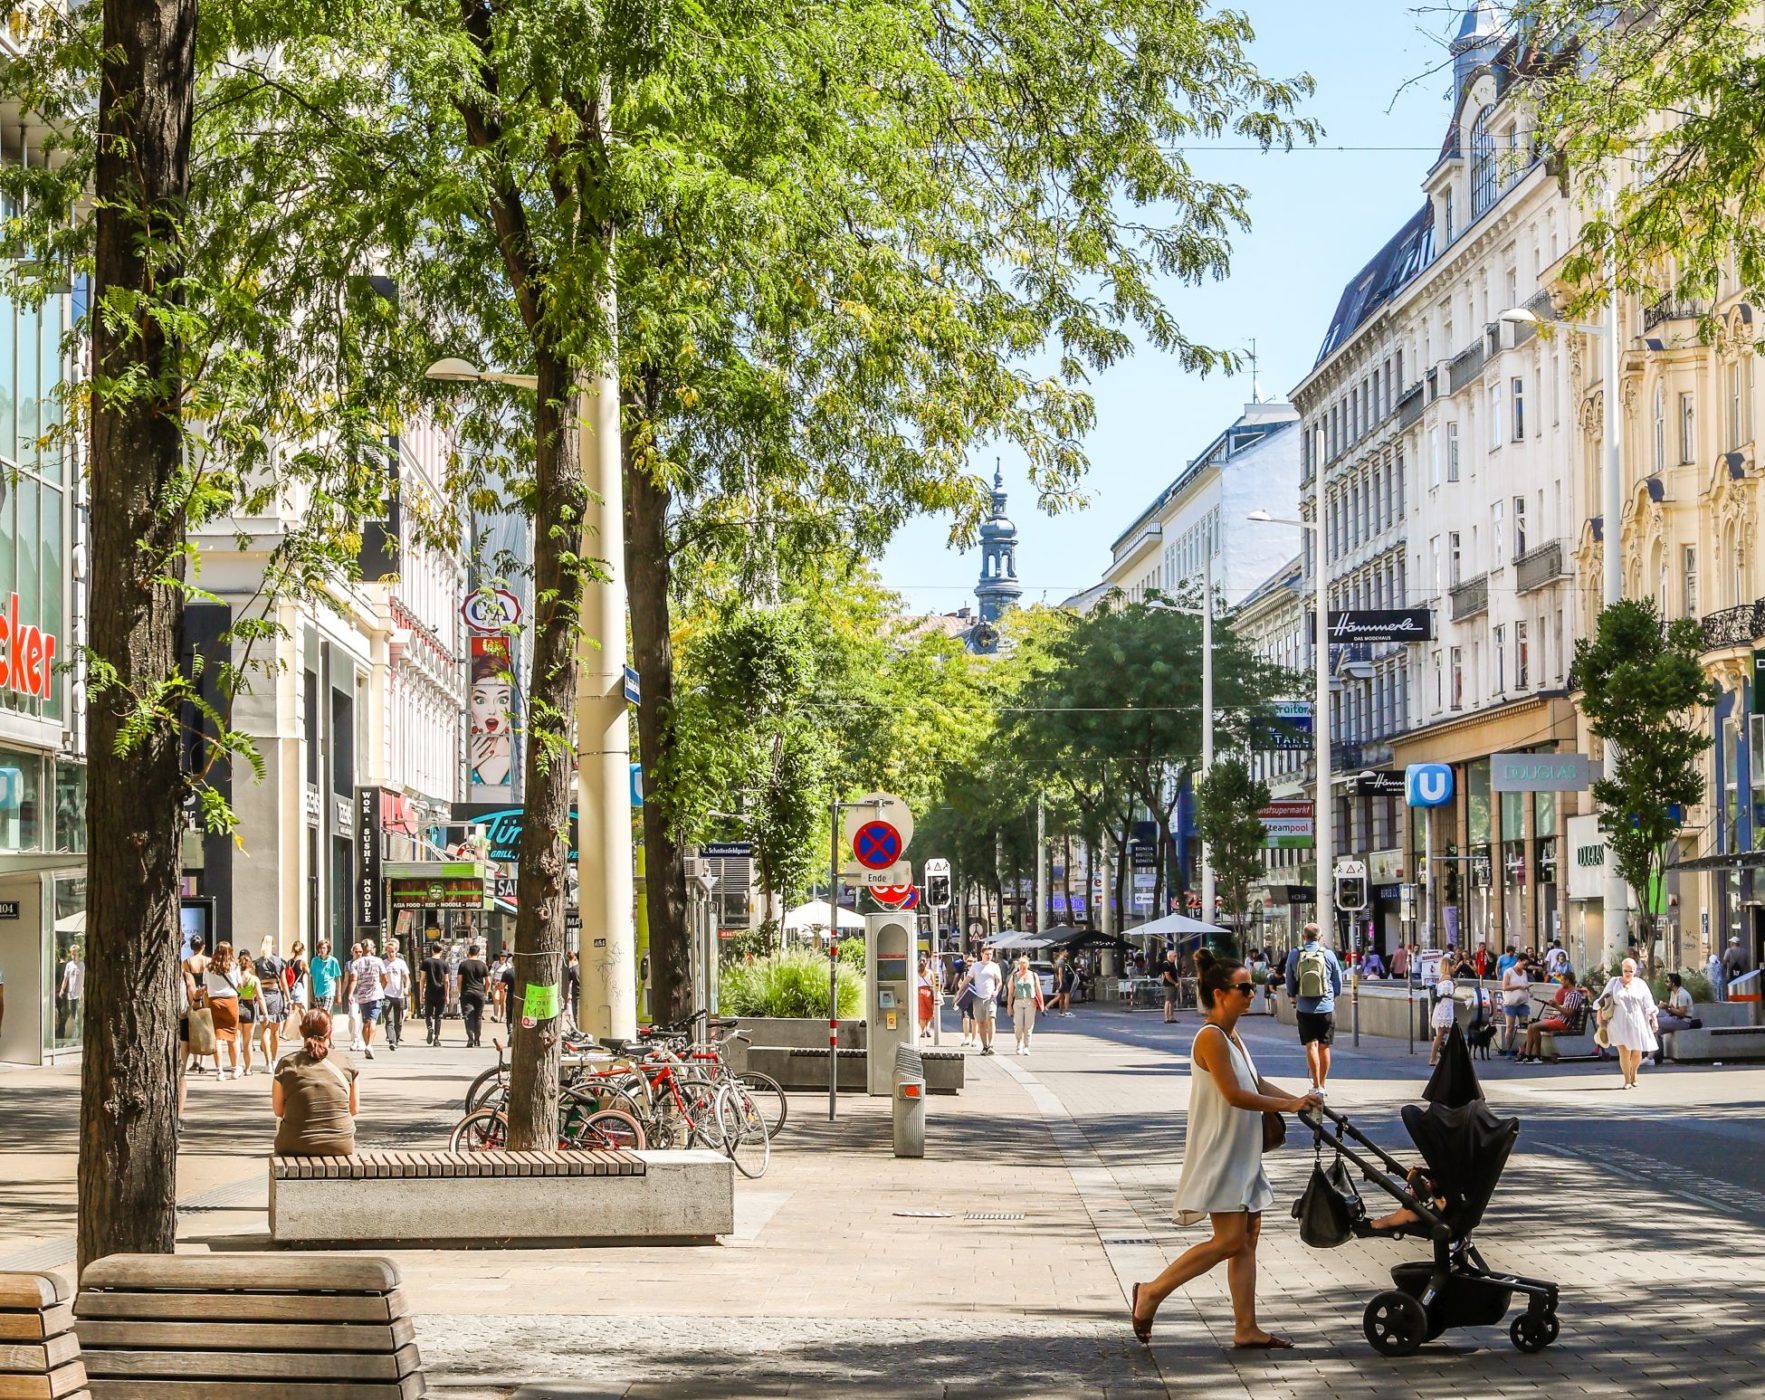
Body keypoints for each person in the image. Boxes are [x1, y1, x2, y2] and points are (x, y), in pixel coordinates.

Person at [1129, 948, 1321, 1349]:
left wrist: (1304, 1100)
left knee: (1247, 1238)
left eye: (1253, 988)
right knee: (1230, 1240)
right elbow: (1234, 1095)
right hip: (1220, 1152)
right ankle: (1151, 1292)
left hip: (1240, 1150)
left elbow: (1257, 1083)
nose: (1253, 994)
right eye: (1245, 988)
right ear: (1220, 993)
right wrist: (1289, 1105)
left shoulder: (1233, 1036)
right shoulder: (1210, 1037)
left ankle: (1246, 1328)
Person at [272, 1008, 360, 1156]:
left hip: (292, 1144)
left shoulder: (286, 1063)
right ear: (329, 1033)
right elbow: (354, 1109)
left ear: (302, 1032)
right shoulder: (346, 1063)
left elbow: (278, 1110)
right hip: (340, 1145)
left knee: (279, 1121)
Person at [1282, 923, 1344, 1096]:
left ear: (1304, 937)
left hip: (1304, 1007)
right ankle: (1323, 1085)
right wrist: (1333, 995)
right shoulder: (1328, 954)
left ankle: (1315, 1085)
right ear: (1320, 938)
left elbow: (1290, 978)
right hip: (1326, 1007)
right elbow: (1337, 979)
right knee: (1324, 1046)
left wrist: (1292, 995)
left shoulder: (1295, 954)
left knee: (1311, 1045)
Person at [1598, 958, 1659, 1089]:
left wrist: (1654, 1019)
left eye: (1630, 971)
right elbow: (1601, 1001)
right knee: (1624, 1052)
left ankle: (1634, 1074)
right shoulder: (1614, 983)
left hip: (1638, 1020)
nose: (1627, 974)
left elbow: (1649, 1003)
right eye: (1625, 970)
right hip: (1619, 1021)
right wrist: (1601, 1021)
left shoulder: (1640, 984)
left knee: (1637, 1052)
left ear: (1635, 971)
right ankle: (1626, 1080)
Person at [1518, 971, 1587, 1062]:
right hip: (1559, 1019)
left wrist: (1556, 1006)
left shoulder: (1574, 995)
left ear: (1568, 981)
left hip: (1564, 1023)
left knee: (1535, 1027)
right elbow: (1565, 1010)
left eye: (1562, 980)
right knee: (1531, 1026)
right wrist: (1555, 1014)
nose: (1560, 982)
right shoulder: (1568, 994)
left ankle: (1537, 1055)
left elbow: (1570, 1014)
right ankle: (1527, 1055)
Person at [204, 941, 244, 1080]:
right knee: (232, 1035)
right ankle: (234, 1069)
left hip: (214, 1001)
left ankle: (219, 1071)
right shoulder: (234, 966)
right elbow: (240, 984)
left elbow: (205, 986)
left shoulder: (209, 967)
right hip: (230, 1001)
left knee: (217, 1037)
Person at [961, 947, 1003, 1056]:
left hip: (990, 998)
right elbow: (967, 980)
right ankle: (985, 1046)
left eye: (990, 954)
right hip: (978, 998)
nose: (988, 956)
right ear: (981, 954)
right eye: (986, 954)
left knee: (991, 1020)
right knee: (981, 1023)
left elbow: (999, 982)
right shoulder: (976, 966)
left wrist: (996, 990)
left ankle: (991, 1045)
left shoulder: (994, 966)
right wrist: (959, 993)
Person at [349, 940, 386, 1060]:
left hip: (362, 996)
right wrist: (381, 988)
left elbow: (353, 979)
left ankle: (366, 1045)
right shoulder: (378, 961)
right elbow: (385, 978)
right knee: (373, 1021)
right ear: (372, 948)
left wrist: (350, 994)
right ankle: (370, 1045)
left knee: (366, 1022)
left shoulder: (356, 963)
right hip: (376, 994)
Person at [1654, 972, 1701, 1063]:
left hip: (1683, 1022)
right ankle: (1658, 1057)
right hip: (1675, 1020)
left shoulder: (1682, 994)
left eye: (1667, 981)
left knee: (1654, 1021)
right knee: (1656, 1030)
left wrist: (1667, 1007)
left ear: (1673, 983)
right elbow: (1672, 1010)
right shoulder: (1673, 993)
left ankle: (1654, 1057)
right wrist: (1666, 1007)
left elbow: (1682, 1013)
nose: (1665, 983)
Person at [254, 942, 286, 1070]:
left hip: (262, 995)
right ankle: (274, 1059)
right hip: (275, 994)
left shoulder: (257, 963)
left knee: (264, 1031)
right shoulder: (279, 962)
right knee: (275, 1031)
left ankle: (268, 1063)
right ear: (272, 946)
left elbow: (255, 981)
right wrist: (288, 999)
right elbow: (283, 982)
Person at [1009, 955, 1044, 1055]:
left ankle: (1026, 1046)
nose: (1022, 969)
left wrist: (1042, 1004)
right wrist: (1009, 1006)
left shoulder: (1033, 975)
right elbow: (1011, 992)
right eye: (1020, 966)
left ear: (1028, 966)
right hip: (1018, 1002)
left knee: (1028, 1025)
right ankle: (1018, 1042)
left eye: (1024, 967)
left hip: (1030, 1002)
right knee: (1018, 1025)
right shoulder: (1014, 976)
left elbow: (1038, 990)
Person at [457, 943, 490, 1047]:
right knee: (478, 1017)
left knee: (468, 1016)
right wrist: (485, 991)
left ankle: (470, 1038)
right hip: (479, 993)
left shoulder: (463, 965)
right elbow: (488, 981)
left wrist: (460, 991)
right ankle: (477, 1039)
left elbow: (459, 980)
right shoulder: (483, 965)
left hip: (467, 993)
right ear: (478, 953)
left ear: (468, 953)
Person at [1499, 952, 1532, 1057]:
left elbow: (1524, 984)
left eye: (1526, 965)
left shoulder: (1525, 973)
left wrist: (1528, 989)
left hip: (1522, 1002)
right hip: (1511, 1003)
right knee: (1510, 1026)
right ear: (1519, 961)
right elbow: (1504, 987)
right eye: (1524, 964)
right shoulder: (1508, 972)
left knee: (1525, 1026)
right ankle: (1509, 1048)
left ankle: (1523, 1049)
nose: (1525, 967)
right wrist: (1518, 986)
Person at [382, 940, 410, 1051]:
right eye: (389, 952)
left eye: (392, 951)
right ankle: (391, 1041)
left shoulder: (401, 963)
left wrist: (406, 987)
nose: (391, 954)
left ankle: (397, 1039)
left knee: (398, 1021)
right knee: (389, 1019)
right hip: (386, 994)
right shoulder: (383, 963)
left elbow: (406, 978)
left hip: (399, 995)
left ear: (396, 951)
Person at [235, 952, 260, 1077]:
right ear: (250, 966)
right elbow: (260, 997)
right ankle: (248, 1069)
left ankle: (235, 1066)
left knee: (237, 1039)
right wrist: (265, 1013)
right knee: (248, 1042)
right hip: (249, 1008)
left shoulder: (236, 978)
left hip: (238, 1006)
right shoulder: (254, 979)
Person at [420, 942, 449, 1046]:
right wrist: (447, 995)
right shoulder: (444, 963)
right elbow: (446, 981)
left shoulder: (426, 962)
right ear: (441, 951)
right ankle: (436, 1038)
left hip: (429, 991)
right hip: (440, 992)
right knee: (438, 1016)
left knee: (428, 1014)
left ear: (432, 950)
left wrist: (421, 994)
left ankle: (429, 1027)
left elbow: (422, 979)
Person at [1428, 975, 1458, 1066]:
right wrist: (1454, 985)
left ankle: (1433, 1058)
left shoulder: (1442, 979)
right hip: (1445, 1011)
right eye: (1453, 966)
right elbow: (1448, 992)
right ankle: (1455, 1057)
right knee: (1451, 1034)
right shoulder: (1448, 979)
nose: (1454, 968)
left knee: (1441, 1035)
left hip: (1443, 1010)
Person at [308, 940, 341, 1018]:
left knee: (325, 1012)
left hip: (329, 991)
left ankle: (327, 1028)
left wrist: (338, 994)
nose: (322, 950)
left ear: (328, 949)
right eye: (320, 948)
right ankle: (327, 1028)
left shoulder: (333, 961)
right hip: (318, 992)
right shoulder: (314, 961)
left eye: (324, 948)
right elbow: (311, 977)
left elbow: (338, 977)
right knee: (320, 1015)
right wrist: (311, 994)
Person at [1159, 947, 1182, 1024]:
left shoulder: (1172, 964)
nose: (1175, 957)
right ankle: (1166, 1017)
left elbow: (1174, 974)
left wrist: (1177, 981)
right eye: (1174, 956)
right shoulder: (1166, 964)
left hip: (1174, 985)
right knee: (1168, 1000)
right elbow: (1167, 976)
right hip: (1169, 985)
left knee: (1172, 1001)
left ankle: (1171, 1016)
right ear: (1170, 956)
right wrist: (1174, 983)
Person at [917, 954, 936, 1041]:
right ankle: (927, 1028)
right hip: (928, 993)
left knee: (921, 1013)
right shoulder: (930, 972)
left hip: (919, 993)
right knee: (930, 1012)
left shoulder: (916, 972)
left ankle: (922, 1031)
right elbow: (934, 984)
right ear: (926, 962)